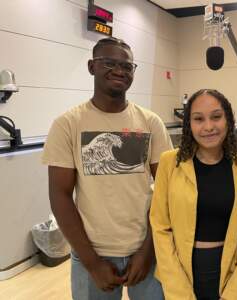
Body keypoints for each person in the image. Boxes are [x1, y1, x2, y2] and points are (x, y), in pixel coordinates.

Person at [42, 37, 172, 300]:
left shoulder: (150, 122)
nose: (120, 70)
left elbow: (167, 189)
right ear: (92, 67)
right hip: (92, 254)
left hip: (146, 250)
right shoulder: (67, 124)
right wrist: (92, 263)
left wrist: (149, 251)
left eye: (127, 66)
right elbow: (60, 196)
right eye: (109, 63)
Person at [150, 89, 237, 300]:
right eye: (198, 119)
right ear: (189, 125)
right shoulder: (170, 163)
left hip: (229, 272)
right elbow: (160, 227)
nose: (208, 126)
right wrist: (179, 291)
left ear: (228, 120)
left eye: (216, 117)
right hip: (178, 272)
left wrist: (235, 292)